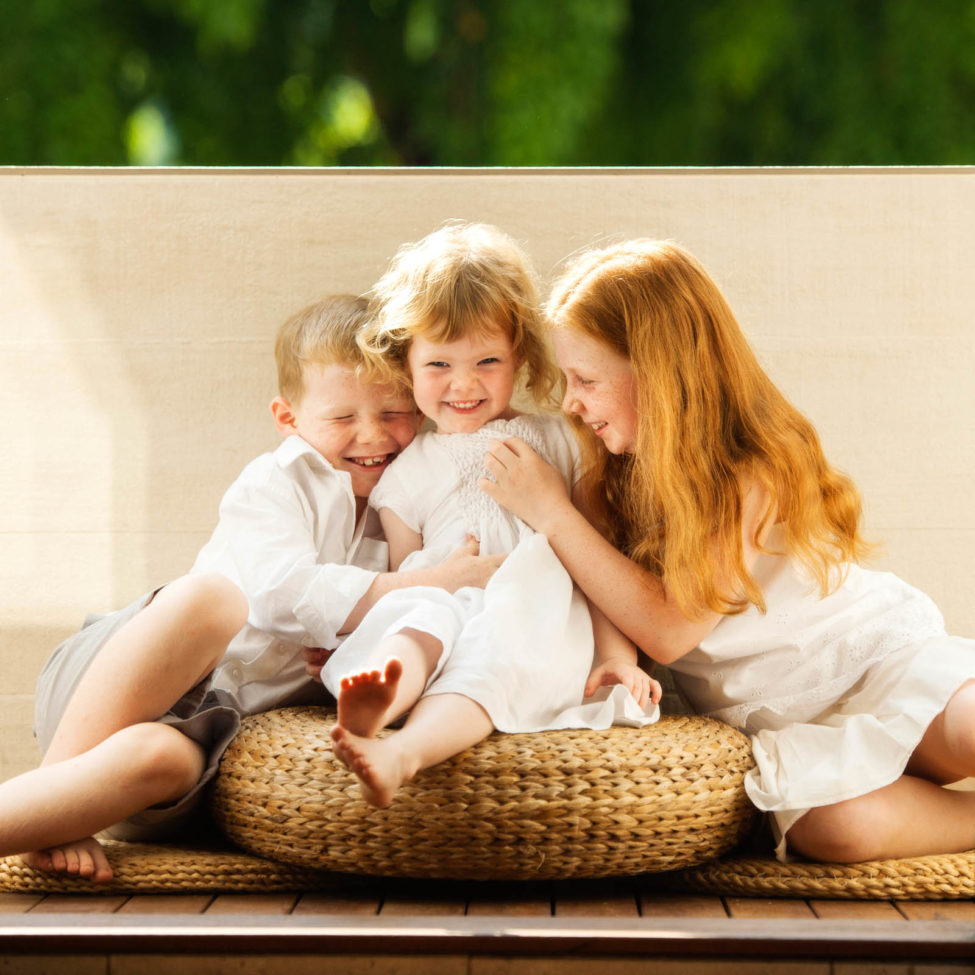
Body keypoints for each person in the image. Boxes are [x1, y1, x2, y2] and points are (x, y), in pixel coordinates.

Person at [480, 239, 975, 863]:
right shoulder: (606, 477)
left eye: (586, 379)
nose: (570, 402)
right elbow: (600, 578)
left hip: (871, 663)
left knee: (966, 728)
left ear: (659, 376)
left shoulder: (747, 470)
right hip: (783, 721)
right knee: (834, 832)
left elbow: (670, 628)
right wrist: (613, 655)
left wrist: (550, 513)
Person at [0, 295, 501, 883]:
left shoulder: (419, 506)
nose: (373, 434)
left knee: (163, 758)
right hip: (115, 684)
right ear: (288, 418)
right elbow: (282, 596)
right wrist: (424, 583)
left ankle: (43, 814)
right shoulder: (276, 482)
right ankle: (53, 789)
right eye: (342, 418)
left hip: (208, 732)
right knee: (209, 599)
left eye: (394, 412)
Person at [322, 223, 661, 809]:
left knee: (490, 661)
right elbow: (404, 577)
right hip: (446, 599)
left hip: (534, 610)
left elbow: (597, 557)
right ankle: (382, 692)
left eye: (486, 360)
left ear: (519, 357)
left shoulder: (559, 439)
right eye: (438, 365)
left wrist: (615, 657)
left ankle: (404, 754)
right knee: (420, 617)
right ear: (406, 361)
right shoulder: (405, 472)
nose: (463, 383)